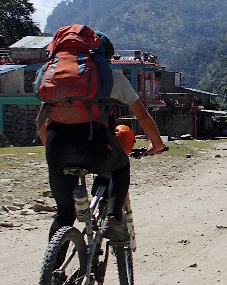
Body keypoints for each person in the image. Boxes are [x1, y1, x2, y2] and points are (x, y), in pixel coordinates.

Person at [36, 31, 167, 243]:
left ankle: (53, 274)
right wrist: (157, 143)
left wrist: (51, 153)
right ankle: (114, 218)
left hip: (57, 147)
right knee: (120, 165)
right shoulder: (111, 78)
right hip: (94, 146)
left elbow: (39, 123)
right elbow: (142, 115)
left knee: (64, 215)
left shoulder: (57, 78)